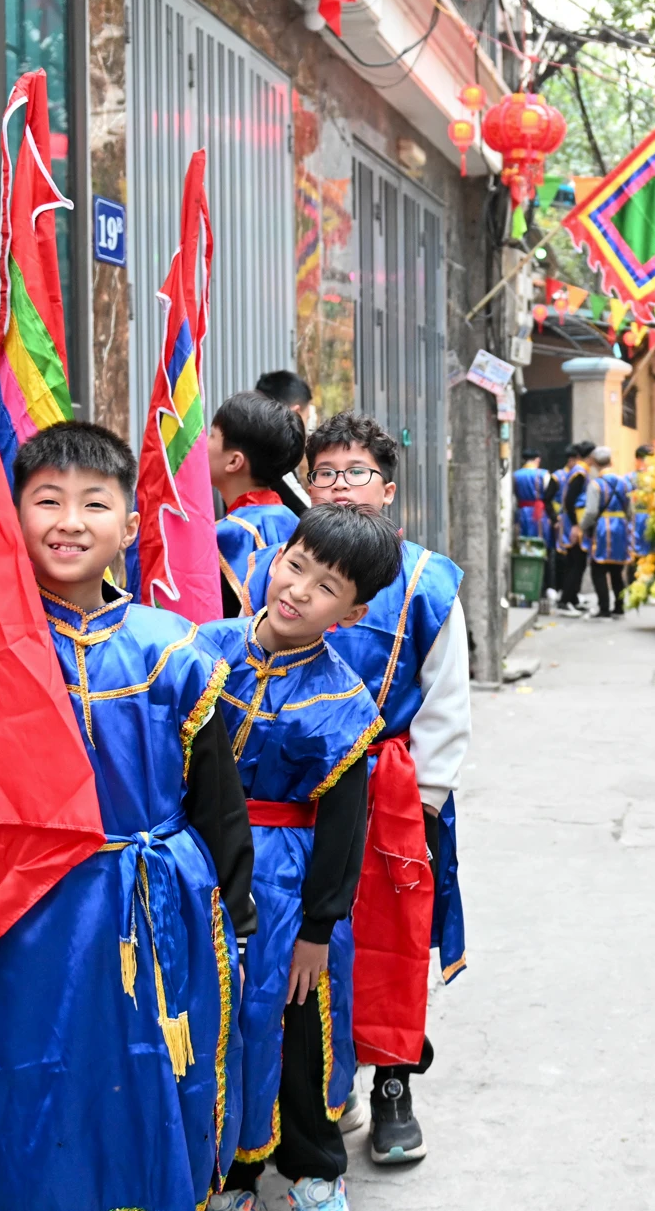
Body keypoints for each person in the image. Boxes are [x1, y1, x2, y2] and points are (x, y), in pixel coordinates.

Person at [0, 422, 254, 1211]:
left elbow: (216, 800)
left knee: (160, 1080)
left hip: (162, 905)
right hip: (33, 916)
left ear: (129, 525)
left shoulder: (176, 651)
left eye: (95, 502)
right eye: (46, 500)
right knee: (35, 1077)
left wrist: (232, 910)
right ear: (12, 514)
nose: (69, 520)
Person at [251, 413, 472, 1169]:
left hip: (389, 791)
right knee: (307, 951)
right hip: (289, 800)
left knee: (393, 947)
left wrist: (427, 807)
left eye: (356, 473)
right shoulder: (285, 564)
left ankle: (392, 1089)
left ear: (387, 486)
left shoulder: (427, 579)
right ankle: (304, 1097)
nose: (339, 486)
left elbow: (445, 702)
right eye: (325, 473)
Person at [203, 505, 401, 1211]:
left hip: (287, 881)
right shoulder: (200, 650)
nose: (296, 590)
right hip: (196, 869)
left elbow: (344, 832)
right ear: (276, 555)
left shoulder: (344, 699)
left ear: (352, 611)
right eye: (295, 565)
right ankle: (224, 1173)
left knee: (295, 1026)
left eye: (325, 587)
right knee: (210, 1020)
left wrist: (318, 928)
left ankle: (315, 1162)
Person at [211, 391, 306, 616]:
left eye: (212, 436)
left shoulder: (228, 533)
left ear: (234, 461)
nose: (202, 444)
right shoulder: (292, 520)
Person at [581, 445, 633, 618]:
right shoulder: (625, 483)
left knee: (598, 569)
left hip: (602, 529)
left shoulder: (595, 485)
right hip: (620, 528)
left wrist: (582, 527)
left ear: (595, 463)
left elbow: (590, 512)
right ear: (611, 461)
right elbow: (630, 510)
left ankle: (604, 608)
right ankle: (619, 607)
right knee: (617, 571)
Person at [255, 370, 316, 511]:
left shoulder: (246, 444)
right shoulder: (274, 458)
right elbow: (307, 512)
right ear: (295, 414)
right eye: (306, 418)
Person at [555, 441, 595, 615]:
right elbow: (569, 501)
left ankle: (572, 599)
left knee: (576, 562)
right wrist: (576, 526)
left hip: (574, 523)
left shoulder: (579, 471)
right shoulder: (579, 473)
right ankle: (566, 601)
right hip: (574, 524)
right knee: (576, 563)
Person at [512, 451, 552, 551]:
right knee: (541, 538)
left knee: (523, 539)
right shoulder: (543, 474)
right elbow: (549, 494)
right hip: (539, 512)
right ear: (537, 460)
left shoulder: (516, 475)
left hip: (522, 511)